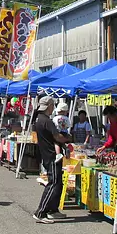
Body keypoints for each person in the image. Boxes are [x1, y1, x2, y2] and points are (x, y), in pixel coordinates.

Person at [32, 95, 71, 224]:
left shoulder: (39, 119)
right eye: (52, 105)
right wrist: (68, 138)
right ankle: (41, 211)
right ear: (49, 106)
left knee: (58, 182)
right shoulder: (47, 121)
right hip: (52, 155)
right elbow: (58, 137)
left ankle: (53, 210)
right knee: (53, 183)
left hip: (47, 154)